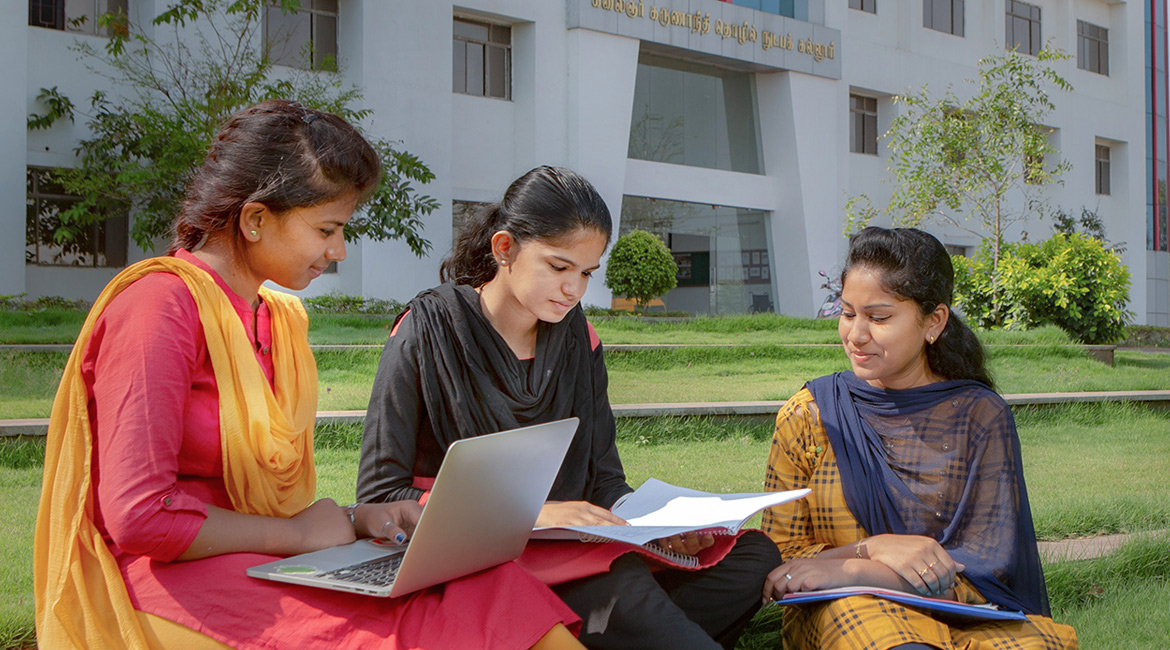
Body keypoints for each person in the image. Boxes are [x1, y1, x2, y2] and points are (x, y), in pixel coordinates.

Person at [34, 100, 584, 650]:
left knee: (490, 589)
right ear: (255, 219)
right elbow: (140, 517)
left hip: (259, 557)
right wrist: (297, 534)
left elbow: (255, 501)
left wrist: (356, 517)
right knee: (410, 629)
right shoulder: (159, 308)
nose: (338, 249)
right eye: (327, 228)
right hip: (166, 577)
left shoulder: (275, 319)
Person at [357, 165, 781, 650]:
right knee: (629, 592)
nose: (574, 290)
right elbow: (379, 494)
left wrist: (659, 530)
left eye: (586, 273)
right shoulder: (426, 330)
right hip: (484, 563)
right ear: (505, 250)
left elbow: (604, 478)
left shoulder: (579, 338)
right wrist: (536, 516)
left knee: (753, 554)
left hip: (581, 549)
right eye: (559, 268)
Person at [760, 227, 1078, 650]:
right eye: (848, 312)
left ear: (934, 321)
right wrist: (869, 553)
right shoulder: (811, 415)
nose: (855, 335)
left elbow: (989, 569)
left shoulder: (980, 417)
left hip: (967, 615)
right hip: (849, 607)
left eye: (878, 317)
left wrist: (866, 569)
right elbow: (781, 561)